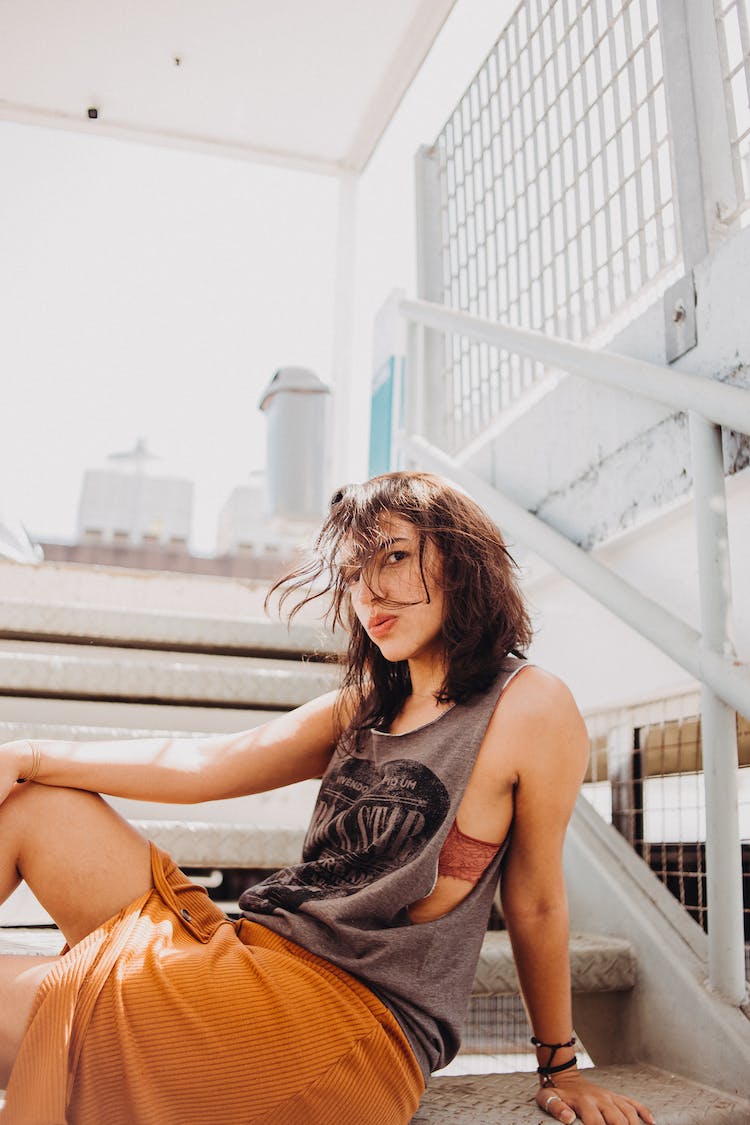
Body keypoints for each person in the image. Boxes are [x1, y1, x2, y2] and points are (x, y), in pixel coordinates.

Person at [0, 471, 654, 1125]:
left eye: (393, 556)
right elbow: (206, 763)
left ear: (460, 558)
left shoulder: (528, 705)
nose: (369, 592)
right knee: (35, 805)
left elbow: (536, 900)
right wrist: (26, 754)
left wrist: (561, 1067)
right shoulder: (365, 708)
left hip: (340, 1022)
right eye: (350, 573)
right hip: (248, 954)